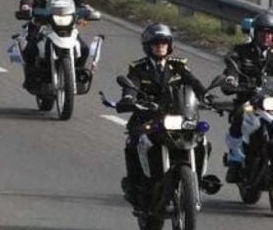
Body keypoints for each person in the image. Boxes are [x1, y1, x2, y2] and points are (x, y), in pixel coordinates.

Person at [115, 23, 209, 210]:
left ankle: (197, 179)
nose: (160, 46)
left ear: (170, 44)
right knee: (134, 142)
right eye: (156, 42)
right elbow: (130, 85)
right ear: (148, 45)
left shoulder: (178, 66)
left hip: (178, 116)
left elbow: (194, 83)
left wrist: (206, 95)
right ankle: (135, 186)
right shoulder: (139, 68)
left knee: (202, 139)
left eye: (164, 42)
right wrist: (128, 98)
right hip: (148, 117)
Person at [16, 0, 90, 89]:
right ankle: (31, 79)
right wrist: (26, 7)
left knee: (84, 49)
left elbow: (79, 2)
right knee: (30, 49)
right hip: (41, 23)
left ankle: (77, 77)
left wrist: (86, 11)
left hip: (64, 23)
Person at [220, 11, 273, 183]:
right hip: (248, 101)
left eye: (270, 32)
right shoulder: (241, 51)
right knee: (242, 113)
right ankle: (235, 156)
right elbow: (232, 66)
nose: (267, 36)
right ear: (255, 33)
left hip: (270, 101)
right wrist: (231, 79)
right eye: (263, 32)